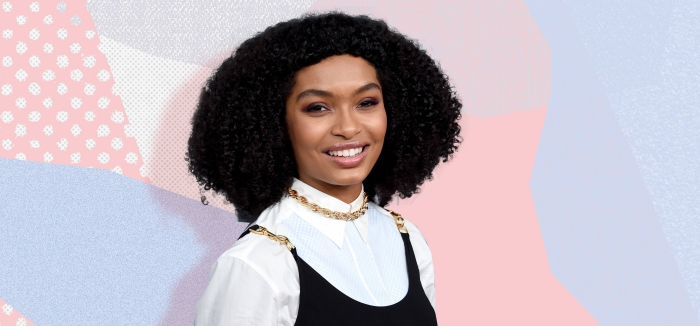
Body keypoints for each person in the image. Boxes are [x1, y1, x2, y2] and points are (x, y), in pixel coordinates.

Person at [187, 11, 462, 325]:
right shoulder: (258, 264)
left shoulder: (408, 240)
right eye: (318, 108)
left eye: (367, 102)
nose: (348, 127)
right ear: (274, 124)